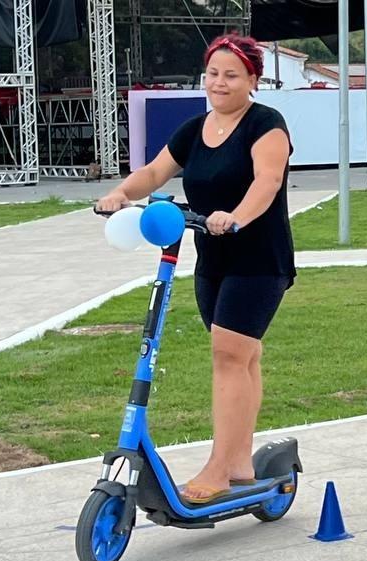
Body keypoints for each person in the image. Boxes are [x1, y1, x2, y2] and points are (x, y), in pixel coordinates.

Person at [95, 33, 295, 504]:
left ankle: (219, 468)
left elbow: (268, 181)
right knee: (242, 358)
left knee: (228, 355)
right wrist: (123, 193)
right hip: (213, 258)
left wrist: (236, 217)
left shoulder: (267, 125)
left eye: (231, 75)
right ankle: (242, 461)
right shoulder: (194, 129)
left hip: (258, 258)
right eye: (212, 74)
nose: (219, 84)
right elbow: (153, 172)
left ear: (252, 80)